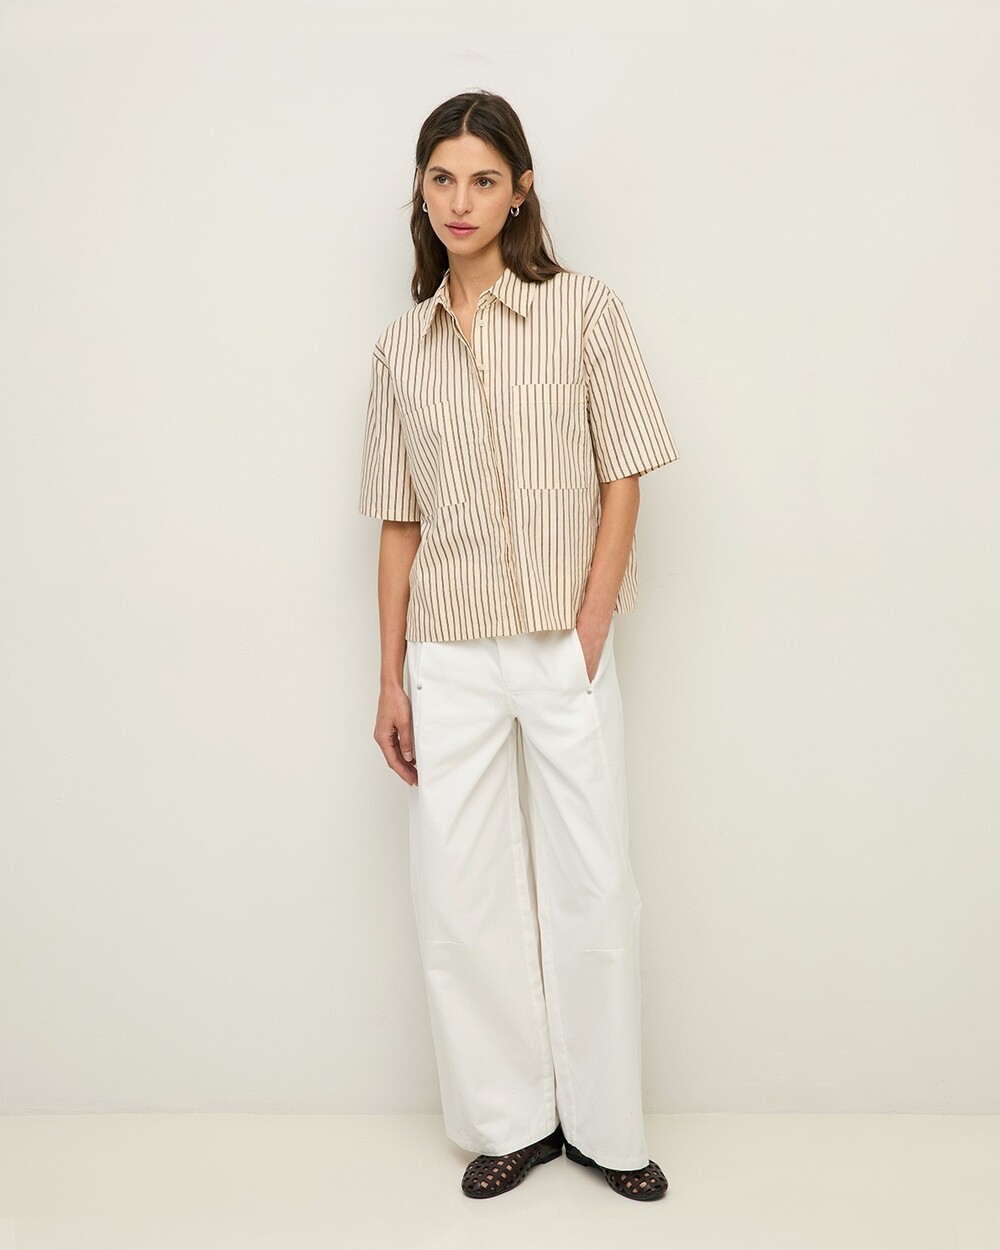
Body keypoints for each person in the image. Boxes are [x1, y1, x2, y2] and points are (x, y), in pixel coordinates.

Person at [358, 90, 678, 1202]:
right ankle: (512, 1120)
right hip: (445, 654)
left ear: (521, 191)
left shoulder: (584, 311)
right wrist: (390, 676)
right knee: (460, 893)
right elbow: (398, 522)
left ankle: (607, 1128)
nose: (461, 200)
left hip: (558, 644)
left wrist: (591, 624)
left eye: (484, 180)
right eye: (442, 178)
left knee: (594, 880)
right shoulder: (400, 349)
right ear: (421, 191)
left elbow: (623, 471)